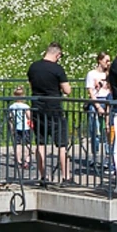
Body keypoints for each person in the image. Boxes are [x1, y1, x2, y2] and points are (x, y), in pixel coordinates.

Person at [27, 42, 72, 185]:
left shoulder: (33, 67)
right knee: (62, 145)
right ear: (57, 55)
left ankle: (43, 177)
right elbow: (67, 90)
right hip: (54, 110)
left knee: (41, 143)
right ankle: (66, 177)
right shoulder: (57, 69)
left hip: (37, 109)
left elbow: (31, 86)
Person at [84, 52, 111, 156]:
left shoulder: (109, 74)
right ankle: (95, 154)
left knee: (107, 129)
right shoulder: (92, 74)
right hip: (96, 101)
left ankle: (108, 154)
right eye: (106, 61)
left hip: (107, 100)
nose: (108, 63)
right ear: (100, 61)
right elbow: (90, 91)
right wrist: (98, 106)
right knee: (95, 130)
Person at [7, 86, 34, 171]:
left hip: (16, 127)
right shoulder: (25, 106)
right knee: (27, 144)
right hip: (25, 127)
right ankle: (27, 161)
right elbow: (29, 117)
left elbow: (10, 118)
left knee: (17, 145)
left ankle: (18, 162)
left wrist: (11, 128)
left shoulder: (12, 107)